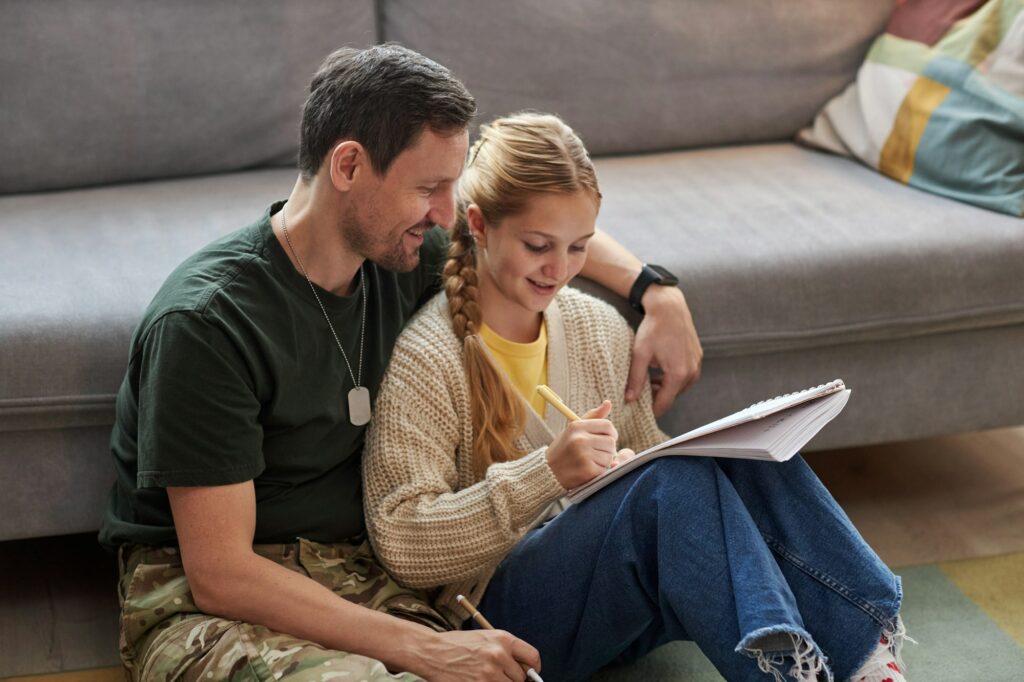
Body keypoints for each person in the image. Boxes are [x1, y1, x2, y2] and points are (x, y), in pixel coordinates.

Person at [98, 45, 703, 681]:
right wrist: (426, 649)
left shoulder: (398, 253)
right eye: (429, 188)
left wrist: (655, 290)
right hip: (212, 601)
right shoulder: (207, 322)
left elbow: (527, 218)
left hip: (361, 571)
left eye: (452, 187)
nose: (447, 214)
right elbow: (221, 575)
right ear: (350, 165)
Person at [362, 112, 910, 682]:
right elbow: (402, 540)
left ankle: (868, 658)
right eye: (538, 246)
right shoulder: (429, 358)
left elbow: (658, 468)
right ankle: (792, 675)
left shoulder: (598, 329)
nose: (560, 269)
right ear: (478, 224)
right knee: (671, 483)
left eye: (578, 247)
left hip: (614, 601)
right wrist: (547, 472)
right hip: (496, 619)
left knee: (749, 458)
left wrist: (630, 468)